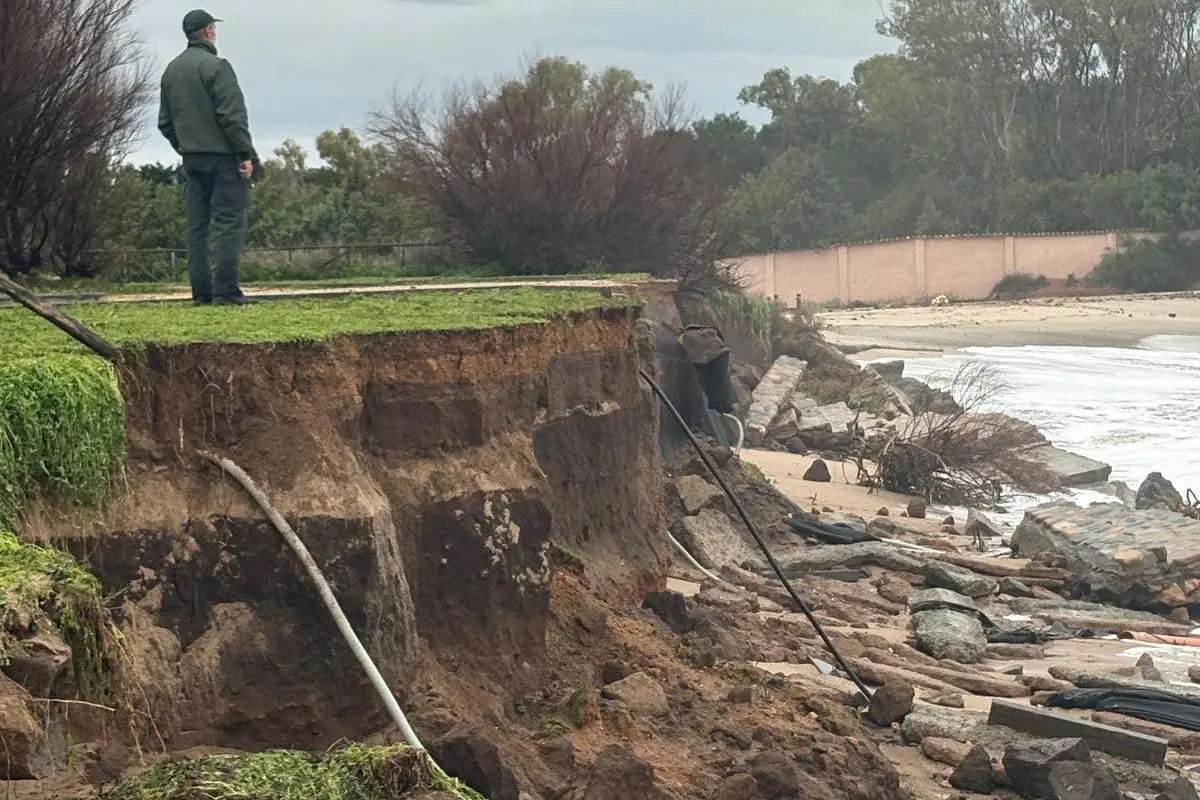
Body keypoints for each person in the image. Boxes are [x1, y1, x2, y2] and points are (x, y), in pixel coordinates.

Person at [158, 9, 259, 306]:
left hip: (191, 158)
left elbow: (164, 123)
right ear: (207, 32)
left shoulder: (171, 71)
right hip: (224, 157)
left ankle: (201, 293)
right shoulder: (218, 67)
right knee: (229, 221)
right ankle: (226, 291)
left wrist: (186, 146)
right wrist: (244, 153)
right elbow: (232, 117)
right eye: (213, 27)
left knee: (197, 226)